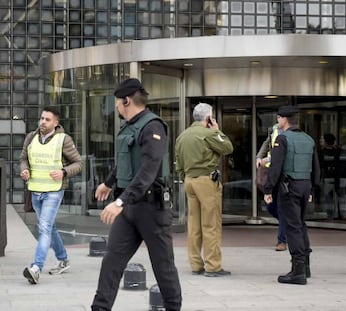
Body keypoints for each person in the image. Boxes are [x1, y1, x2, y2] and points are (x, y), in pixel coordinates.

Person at [91, 78, 182, 311]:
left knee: (163, 266)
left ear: (126, 100)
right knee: (111, 261)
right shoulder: (130, 126)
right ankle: (99, 308)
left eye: (117, 103)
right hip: (130, 209)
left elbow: (148, 170)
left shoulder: (153, 126)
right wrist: (109, 183)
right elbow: (126, 162)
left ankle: (173, 308)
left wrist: (120, 201)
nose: (117, 108)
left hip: (152, 209)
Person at [19, 106, 83, 284]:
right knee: (49, 227)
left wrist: (63, 171)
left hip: (54, 191)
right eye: (41, 118)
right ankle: (63, 259)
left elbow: (79, 163)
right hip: (35, 189)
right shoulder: (31, 137)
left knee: (44, 227)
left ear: (56, 123)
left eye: (47, 119)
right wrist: (24, 170)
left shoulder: (64, 140)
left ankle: (36, 268)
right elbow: (23, 158)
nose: (42, 122)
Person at [175, 103, 234, 277]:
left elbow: (178, 162)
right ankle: (213, 265)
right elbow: (228, 147)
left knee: (194, 224)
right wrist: (217, 130)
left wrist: (186, 175)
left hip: (189, 180)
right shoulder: (208, 134)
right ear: (209, 118)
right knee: (211, 224)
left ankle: (195, 264)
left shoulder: (183, 136)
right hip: (206, 181)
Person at [264, 105, 320, 285]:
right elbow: (316, 168)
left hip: (289, 188)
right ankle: (306, 266)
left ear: (284, 119)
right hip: (305, 186)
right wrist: (312, 189)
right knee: (301, 225)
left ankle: (297, 271)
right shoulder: (308, 139)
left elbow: (275, 167)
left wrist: (268, 190)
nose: (277, 121)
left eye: (278, 118)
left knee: (292, 227)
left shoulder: (282, 139)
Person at [256, 123, 287, 251]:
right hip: (271, 175)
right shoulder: (273, 129)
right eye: (278, 117)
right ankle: (290, 225)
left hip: (283, 176)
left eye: (281, 117)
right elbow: (267, 143)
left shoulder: (290, 134)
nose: (279, 120)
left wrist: (267, 160)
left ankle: (282, 241)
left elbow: (283, 153)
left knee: (281, 208)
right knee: (270, 207)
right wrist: (258, 157)